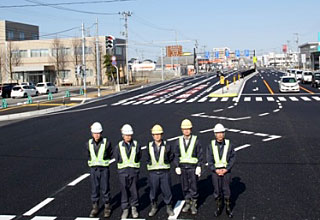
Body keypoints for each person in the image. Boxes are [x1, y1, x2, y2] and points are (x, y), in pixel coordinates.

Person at [207, 123, 236, 218]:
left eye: (222, 133)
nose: (220, 135)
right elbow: (209, 159)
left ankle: (228, 208)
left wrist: (227, 169)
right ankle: (219, 207)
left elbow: (232, 158)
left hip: (226, 172)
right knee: (217, 190)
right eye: (218, 133)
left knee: (227, 190)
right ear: (215, 134)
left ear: (224, 134)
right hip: (215, 172)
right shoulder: (210, 145)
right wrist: (215, 170)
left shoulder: (229, 144)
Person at [174, 119, 203, 215]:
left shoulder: (196, 141)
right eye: (184, 129)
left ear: (191, 129)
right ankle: (187, 202)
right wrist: (177, 166)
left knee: (193, 187)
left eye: (188, 129)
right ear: (182, 130)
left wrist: (199, 166)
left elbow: (200, 154)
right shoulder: (178, 141)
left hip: (192, 168)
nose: (186, 131)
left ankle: (194, 203)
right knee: (185, 186)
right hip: (183, 168)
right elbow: (176, 155)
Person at [146, 124, 174, 217]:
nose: (157, 136)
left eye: (159, 134)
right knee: (153, 192)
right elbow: (147, 158)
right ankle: (154, 206)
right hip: (153, 173)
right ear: (152, 135)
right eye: (155, 134)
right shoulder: (149, 146)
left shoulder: (167, 145)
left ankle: (169, 207)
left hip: (164, 172)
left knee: (167, 191)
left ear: (162, 135)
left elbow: (171, 156)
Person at [114, 124, 142, 219]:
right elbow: (117, 158)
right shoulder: (118, 146)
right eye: (126, 135)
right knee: (124, 191)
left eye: (129, 135)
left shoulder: (136, 145)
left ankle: (134, 207)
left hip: (133, 172)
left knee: (134, 191)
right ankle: (125, 209)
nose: (128, 137)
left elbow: (138, 156)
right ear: (123, 136)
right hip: (123, 172)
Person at [87, 122, 113, 218]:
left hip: (104, 170)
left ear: (101, 133)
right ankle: (95, 208)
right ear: (92, 133)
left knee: (105, 189)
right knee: (94, 189)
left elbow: (110, 154)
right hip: (94, 170)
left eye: (98, 133)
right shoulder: (88, 144)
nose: (96, 135)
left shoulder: (107, 143)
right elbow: (89, 155)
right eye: (95, 133)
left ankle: (107, 208)